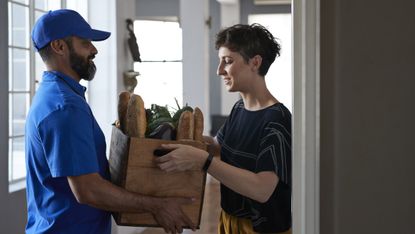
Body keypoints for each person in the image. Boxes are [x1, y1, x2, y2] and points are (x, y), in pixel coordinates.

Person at [25, 9, 195, 234]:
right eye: (85, 42)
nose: (94, 50)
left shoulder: (53, 95)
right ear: (59, 47)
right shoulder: (65, 107)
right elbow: (88, 190)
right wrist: (158, 205)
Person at [155, 23, 292, 234]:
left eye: (227, 61)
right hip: (229, 220)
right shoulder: (239, 107)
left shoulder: (277, 121)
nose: (219, 71)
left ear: (255, 62)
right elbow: (219, 147)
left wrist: (203, 161)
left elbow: (262, 189)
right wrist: (182, 137)